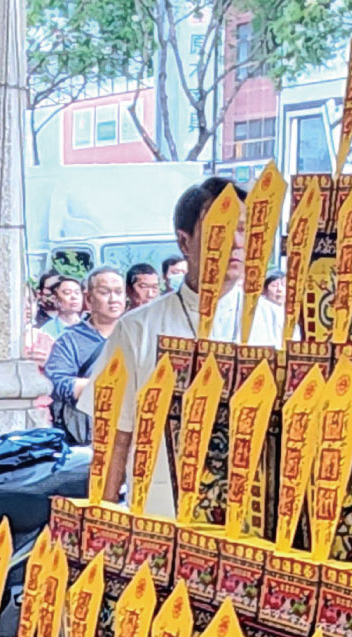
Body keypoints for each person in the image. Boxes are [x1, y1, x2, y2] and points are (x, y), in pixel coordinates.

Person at [94, 177, 251, 516]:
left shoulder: (280, 327)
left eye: (245, 229)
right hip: (160, 512)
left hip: (248, 518)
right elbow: (116, 435)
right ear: (185, 241)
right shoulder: (136, 329)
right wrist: (102, 519)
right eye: (223, 229)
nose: (238, 243)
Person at [44, 266, 126, 444]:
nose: (114, 299)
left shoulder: (137, 333)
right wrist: (101, 386)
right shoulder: (70, 339)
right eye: (105, 292)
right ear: (89, 299)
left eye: (118, 292)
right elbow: (56, 382)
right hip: (89, 436)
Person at [249, 272, 287, 349]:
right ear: (264, 290)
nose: (279, 289)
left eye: (283, 285)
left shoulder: (289, 309)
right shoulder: (261, 307)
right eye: (274, 286)